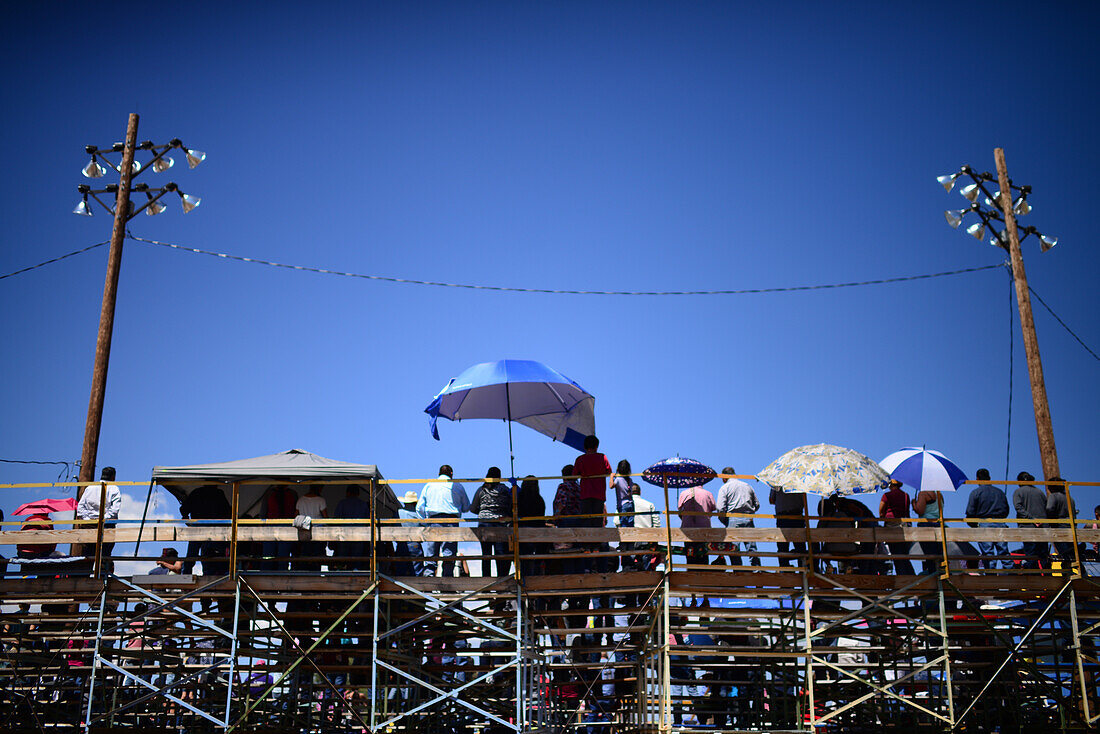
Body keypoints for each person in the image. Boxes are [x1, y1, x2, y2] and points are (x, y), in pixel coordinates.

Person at [417, 465, 469, 577]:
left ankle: (428, 583)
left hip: (433, 520)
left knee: (431, 554)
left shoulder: (429, 485)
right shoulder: (457, 486)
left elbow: (419, 507)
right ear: (451, 474)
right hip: (451, 521)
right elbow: (466, 507)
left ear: (439, 473)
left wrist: (425, 521)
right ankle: (447, 583)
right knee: (449, 554)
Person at [178, 483, 231, 576]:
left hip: (200, 528)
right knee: (209, 553)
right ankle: (201, 572)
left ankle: (187, 573)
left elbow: (184, 509)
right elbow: (228, 512)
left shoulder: (197, 493)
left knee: (194, 553)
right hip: (212, 529)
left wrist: (186, 518)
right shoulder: (218, 493)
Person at [77, 466, 122, 574]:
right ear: (113, 476)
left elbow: (80, 507)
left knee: (88, 554)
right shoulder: (114, 488)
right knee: (105, 555)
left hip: (89, 526)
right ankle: (102, 579)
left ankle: (85, 578)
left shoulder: (90, 488)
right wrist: (102, 520)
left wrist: (89, 520)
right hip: (105, 526)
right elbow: (114, 510)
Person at [965, 469, 1012, 570]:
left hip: (984, 524)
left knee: (988, 553)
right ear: (989, 478)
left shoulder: (976, 493)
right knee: (1004, 551)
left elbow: (970, 511)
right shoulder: (999, 492)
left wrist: (973, 524)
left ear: (977, 479)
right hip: (1000, 523)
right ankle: (1010, 573)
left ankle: (991, 575)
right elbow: (1006, 510)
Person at [469, 467, 512, 577]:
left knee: (486, 555)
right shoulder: (505, 490)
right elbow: (511, 506)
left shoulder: (481, 489)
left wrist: (483, 511)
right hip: (500, 524)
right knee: (500, 554)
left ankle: (486, 581)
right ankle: (501, 581)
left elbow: (473, 508)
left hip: (484, 525)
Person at [715, 468, 761, 568]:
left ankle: (738, 571)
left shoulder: (725, 487)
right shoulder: (747, 486)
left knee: (733, 548)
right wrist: (750, 512)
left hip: (732, 518)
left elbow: (720, 508)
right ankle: (757, 571)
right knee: (751, 547)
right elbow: (757, 504)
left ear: (724, 477)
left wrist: (725, 520)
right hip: (748, 518)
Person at [1013, 471, 1048, 570]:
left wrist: (1031, 519)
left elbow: (1018, 507)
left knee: (1031, 555)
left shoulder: (1019, 492)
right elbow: (1047, 508)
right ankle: (1046, 575)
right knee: (1043, 556)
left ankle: (1033, 576)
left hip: (1028, 528)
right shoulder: (1040, 492)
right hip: (1042, 529)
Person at [879, 479, 915, 575]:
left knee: (896, 555)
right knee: (904, 556)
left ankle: (902, 577)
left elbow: (881, 512)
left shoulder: (887, 496)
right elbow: (907, 513)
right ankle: (911, 576)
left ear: (890, 485)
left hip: (891, 528)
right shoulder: (906, 495)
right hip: (903, 527)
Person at [260, 484, 298, 571]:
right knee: (283, 555)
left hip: (271, 525)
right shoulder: (292, 493)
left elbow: (263, 512)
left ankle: (267, 575)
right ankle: (282, 575)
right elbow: (296, 512)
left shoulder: (269, 493)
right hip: (286, 526)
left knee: (268, 555)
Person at [334, 485, 371, 571]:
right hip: (359, 534)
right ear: (358, 494)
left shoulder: (342, 503)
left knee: (342, 556)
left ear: (348, 493)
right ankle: (356, 570)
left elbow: (336, 518)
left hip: (343, 534)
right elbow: (368, 520)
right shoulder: (363, 504)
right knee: (356, 557)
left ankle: (341, 570)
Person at [678, 484, 716, 567]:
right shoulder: (708, 494)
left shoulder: (684, 493)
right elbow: (712, 509)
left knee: (690, 555)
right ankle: (703, 574)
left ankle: (691, 573)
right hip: (704, 529)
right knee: (703, 555)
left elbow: (680, 510)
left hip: (687, 530)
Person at [517, 476, 546, 578]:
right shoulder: (539, 499)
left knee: (523, 560)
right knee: (536, 559)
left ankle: (524, 580)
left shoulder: (519, 498)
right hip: (537, 532)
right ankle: (534, 579)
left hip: (523, 531)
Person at [770, 488, 807, 568]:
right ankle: (802, 568)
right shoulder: (800, 481)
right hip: (797, 517)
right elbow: (804, 501)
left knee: (783, 547)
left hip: (783, 517)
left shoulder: (777, 481)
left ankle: (785, 569)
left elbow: (771, 500)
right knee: (800, 547)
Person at [295, 484, 328, 571]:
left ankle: (304, 573)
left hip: (304, 530)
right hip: (318, 531)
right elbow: (325, 517)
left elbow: (296, 515)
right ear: (319, 489)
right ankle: (316, 574)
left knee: (305, 553)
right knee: (317, 555)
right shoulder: (321, 500)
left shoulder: (301, 500)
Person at [1046, 477, 1077, 567]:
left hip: (1059, 527)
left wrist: (1050, 521)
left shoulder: (1054, 496)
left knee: (1064, 552)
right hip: (1070, 527)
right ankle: (1076, 566)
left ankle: (1066, 568)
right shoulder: (1069, 498)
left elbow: (1049, 509)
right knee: (1071, 552)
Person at [913, 486, 944, 574]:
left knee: (929, 554)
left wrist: (914, 504)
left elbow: (920, 510)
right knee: (939, 553)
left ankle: (933, 574)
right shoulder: (939, 495)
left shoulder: (923, 494)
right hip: (939, 525)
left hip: (926, 524)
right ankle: (941, 573)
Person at [395, 491, 424, 577]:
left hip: (401, 544)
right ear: (415, 503)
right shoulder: (418, 515)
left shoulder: (398, 513)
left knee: (400, 573)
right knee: (416, 573)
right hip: (415, 544)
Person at [611, 460, 635, 528]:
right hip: (631, 503)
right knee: (630, 524)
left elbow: (611, 486)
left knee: (624, 523)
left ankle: (625, 538)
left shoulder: (618, 479)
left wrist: (611, 477)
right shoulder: (630, 480)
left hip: (622, 504)